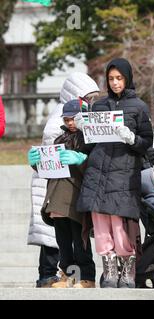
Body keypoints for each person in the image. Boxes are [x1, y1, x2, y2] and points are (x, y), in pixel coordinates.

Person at [76, 58, 153, 288]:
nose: (115, 83)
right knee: (101, 226)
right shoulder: (99, 105)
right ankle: (109, 270)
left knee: (121, 226)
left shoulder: (139, 107)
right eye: (111, 79)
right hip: (98, 174)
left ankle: (127, 270)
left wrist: (131, 139)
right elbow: (88, 145)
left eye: (119, 78)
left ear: (127, 78)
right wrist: (83, 127)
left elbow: (146, 142)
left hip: (124, 174)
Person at [29, 72, 100, 288]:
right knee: (63, 243)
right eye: (67, 119)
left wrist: (81, 158)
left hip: (76, 197)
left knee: (80, 242)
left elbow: (95, 165)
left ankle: (86, 276)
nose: (70, 123)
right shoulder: (60, 137)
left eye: (74, 118)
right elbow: (47, 164)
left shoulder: (88, 137)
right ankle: (68, 275)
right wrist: (36, 161)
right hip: (56, 198)